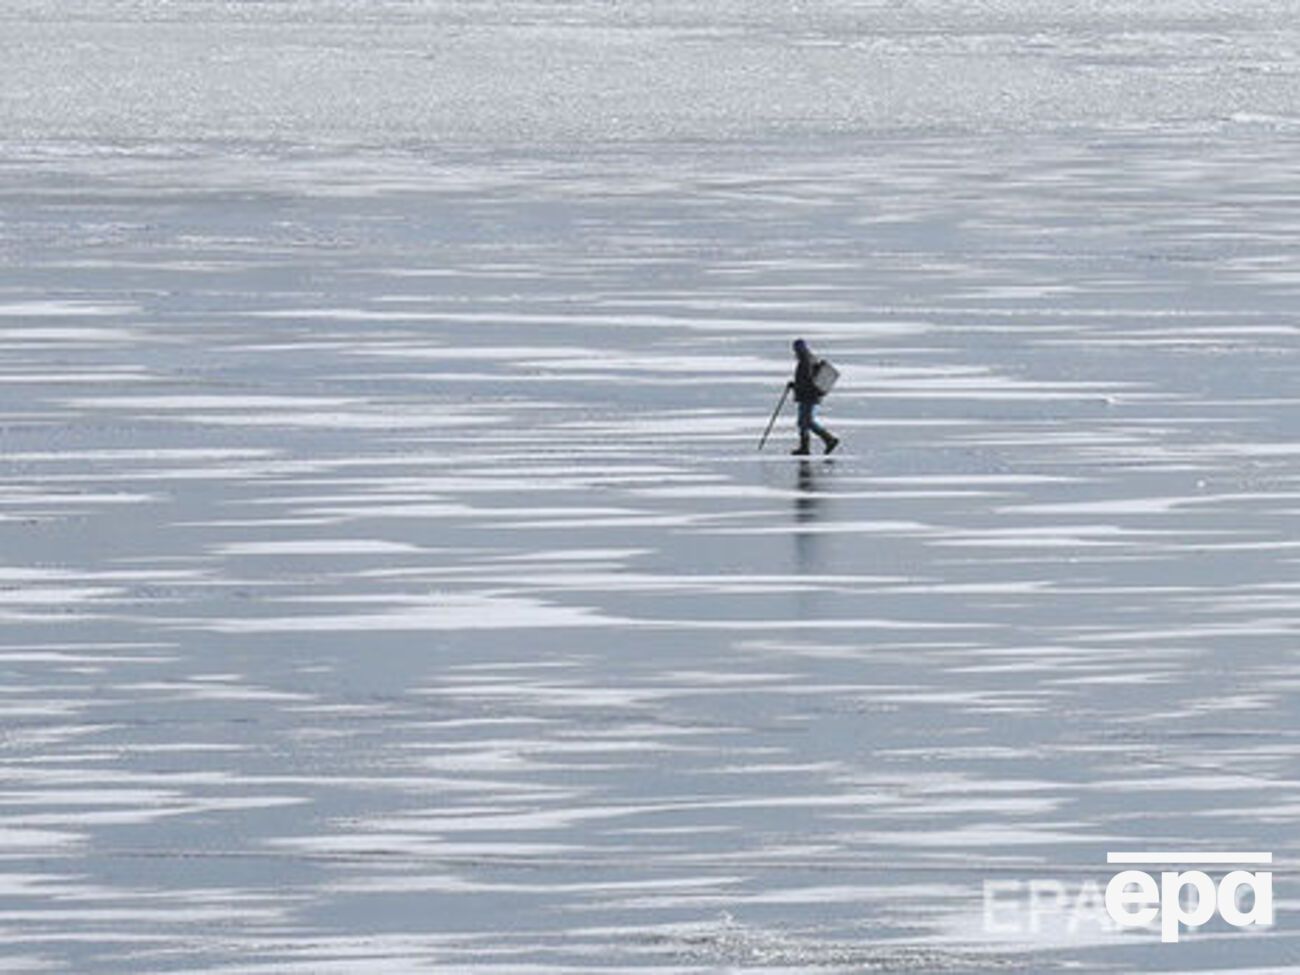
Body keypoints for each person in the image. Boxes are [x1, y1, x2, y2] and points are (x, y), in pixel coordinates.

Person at [787, 338, 839, 455]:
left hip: (809, 396)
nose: (795, 351)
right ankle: (804, 447)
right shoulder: (808, 359)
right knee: (802, 422)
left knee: (808, 421)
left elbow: (807, 381)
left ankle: (829, 439)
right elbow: (805, 380)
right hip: (807, 395)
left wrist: (795, 386)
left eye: (796, 349)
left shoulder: (806, 361)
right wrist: (795, 385)